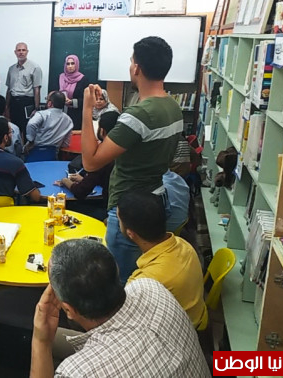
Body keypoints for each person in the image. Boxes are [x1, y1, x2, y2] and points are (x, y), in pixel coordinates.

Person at [80, 36, 183, 283]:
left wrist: (86, 109)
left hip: (129, 210)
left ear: (136, 68)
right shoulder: (173, 107)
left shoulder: (138, 115)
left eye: (130, 61)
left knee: (120, 282)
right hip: (156, 200)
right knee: (141, 275)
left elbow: (90, 162)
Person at [30, 238, 209, 377]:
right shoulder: (151, 287)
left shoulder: (77, 372)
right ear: (115, 269)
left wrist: (41, 342)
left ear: (69, 310)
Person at [118, 191, 207, 328]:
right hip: (197, 317)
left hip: (180, 331)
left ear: (130, 233)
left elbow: (124, 319)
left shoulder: (143, 281)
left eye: (119, 220)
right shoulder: (183, 244)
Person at [54, 111, 119, 220]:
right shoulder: (124, 150)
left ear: (102, 131)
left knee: (69, 206)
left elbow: (80, 192)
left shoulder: (103, 155)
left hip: (109, 211)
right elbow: (109, 177)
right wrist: (85, 179)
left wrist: (65, 181)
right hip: (125, 207)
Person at [5, 42, 42, 137]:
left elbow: (37, 89)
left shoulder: (35, 67)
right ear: (15, 52)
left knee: (27, 131)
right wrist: (6, 106)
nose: (21, 52)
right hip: (14, 103)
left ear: (27, 52)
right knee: (14, 131)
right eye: (19, 50)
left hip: (27, 103)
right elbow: (9, 89)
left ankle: (26, 147)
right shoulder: (11, 69)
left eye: (23, 50)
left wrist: (36, 108)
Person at [59, 54, 88, 129]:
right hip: (61, 113)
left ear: (76, 64)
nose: (70, 66)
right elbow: (55, 93)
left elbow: (85, 99)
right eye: (68, 64)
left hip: (76, 114)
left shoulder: (83, 79)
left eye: (72, 63)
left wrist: (71, 101)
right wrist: (62, 99)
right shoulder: (61, 77)